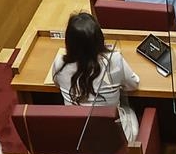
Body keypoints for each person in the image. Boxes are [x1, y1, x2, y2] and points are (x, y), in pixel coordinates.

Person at [52, 12, 143, 140]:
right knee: (129, 108)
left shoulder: (59, 62)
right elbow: (134, 84)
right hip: (115, 139)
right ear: (99, 39)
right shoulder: (114, 60)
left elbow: (56, 83)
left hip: (78, 137)